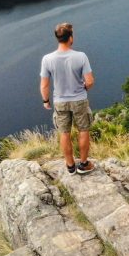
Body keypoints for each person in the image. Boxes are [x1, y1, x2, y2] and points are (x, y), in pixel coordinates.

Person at [40, 22, 95, 175]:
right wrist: (84, 88)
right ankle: (83, 164)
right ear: (70, 37)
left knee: (64, 133)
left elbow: (44, 85)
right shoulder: (81, 56)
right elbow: (90, 81)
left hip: (60, 101)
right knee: (83, 130)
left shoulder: (47, 59)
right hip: (79, 100)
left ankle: (70, 166)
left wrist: (46, 101)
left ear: (57, 38)